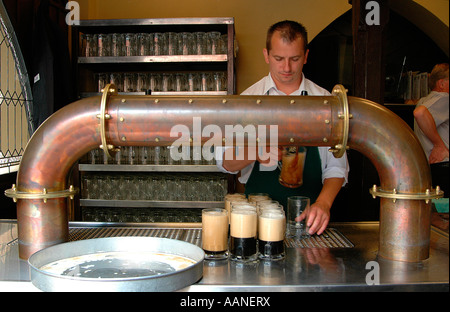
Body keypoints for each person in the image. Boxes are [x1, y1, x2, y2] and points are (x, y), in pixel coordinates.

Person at [216, 20, 349, 235]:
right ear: (266, 55)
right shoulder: (248, 100)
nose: (286, 68)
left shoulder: (325, 101)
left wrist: (323, 204)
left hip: (308, 222)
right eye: (278, 59)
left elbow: (337, 166)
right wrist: (256, 152)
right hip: (256, 223)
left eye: (294, 59)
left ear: (306, 56)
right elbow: (225, 162)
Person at [413, 63, 449, 195]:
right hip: (444, 165)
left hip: (429, 166)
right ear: (442, 83)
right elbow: (420, 113)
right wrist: (439, 145)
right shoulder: (444, 98)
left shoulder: (423, 100)